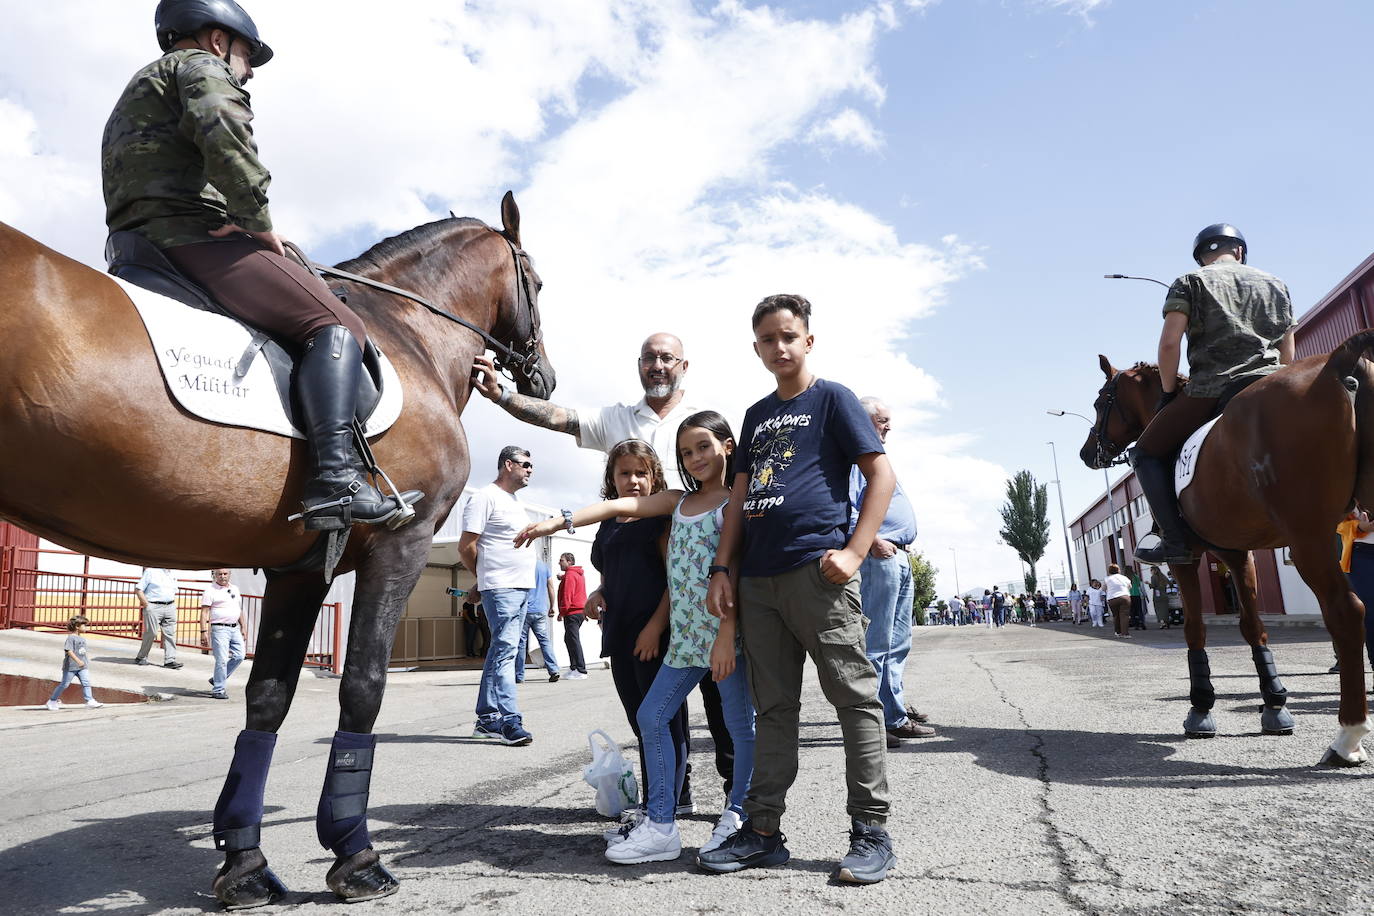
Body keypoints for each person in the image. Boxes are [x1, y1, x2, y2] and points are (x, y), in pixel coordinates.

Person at [102, 0, 416, 532]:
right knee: (336, 322)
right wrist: (260, 222)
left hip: (134, 242)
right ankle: (335, 480)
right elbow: (224, 131)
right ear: (220, 41)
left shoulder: (138, 87)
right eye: (247, 58)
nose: (246, 72)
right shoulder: (201, 67)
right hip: (193, 236)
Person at [473, 332, 736, 789]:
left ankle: (737, 803)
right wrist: (502, 396)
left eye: (667, 358)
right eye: (649, 358)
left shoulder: (701, 421)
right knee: (655, 707)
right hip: (652, 590)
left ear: (684, 365)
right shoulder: (618, 419)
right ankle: (672, 793)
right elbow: (560, 417)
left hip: (704, 584)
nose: (657, 365)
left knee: (722, 701)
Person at [702, 293, 897, 885]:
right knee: (774, 709)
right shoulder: (756, 415)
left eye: (789, 336)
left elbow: (881, 474)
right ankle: (763, 831)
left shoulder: (833, 398)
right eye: (767, 339)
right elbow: (739, 498)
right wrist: (722, 568)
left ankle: (871, 830)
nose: (779, 347)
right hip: (758, 582)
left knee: (855, 700)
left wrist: (855, 550)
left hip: (819, 573)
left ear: (808, 340)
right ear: (756, 348)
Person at [518, 411, 757, 865]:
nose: (695, 457)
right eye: (686, 451)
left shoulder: (736, 502)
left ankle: (738, 812)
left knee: (738, 725)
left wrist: (727, 634)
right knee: (651, 717)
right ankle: (662, 823)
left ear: (727, 446)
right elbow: (615, 508)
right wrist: (558, 522)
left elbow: (737, 571)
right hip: (685, 640)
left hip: (726, 637)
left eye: (704, 446)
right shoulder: (676, 501)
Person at [1132, 224, 1294, 564]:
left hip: (1213, 387)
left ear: (1202, 258)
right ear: (1239, 251)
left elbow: (1169, 344)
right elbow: (1287, 349)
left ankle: (1174, 542)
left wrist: (1166, 393)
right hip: (1272, 381)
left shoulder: (1190, 281)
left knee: (1146, 453)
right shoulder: (1275, 283)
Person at [850, 397, 934, 746]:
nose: (888, 426)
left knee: (898, 642)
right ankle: (873, 723)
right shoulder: (855, 458)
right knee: (877, 642)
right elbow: (844, 507)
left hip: (896, 554)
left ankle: (893, 714)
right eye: (883, 419)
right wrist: (872, 540)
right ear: (864, 420)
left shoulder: (873, 458)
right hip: (879, 554)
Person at [459, 447, 537, 746]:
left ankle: (487, 719)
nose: (530, 470)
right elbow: (467, 546)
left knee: (501, 652)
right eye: (526, 464)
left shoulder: (514, 501)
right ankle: (509, 721)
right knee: (505, 652)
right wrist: (483, 579)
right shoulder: (484, 497)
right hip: (501, 588)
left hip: (520, 587)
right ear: (508, 464)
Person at [200, 568, 245, 699]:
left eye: (225, 574)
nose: (222, 576)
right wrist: (203, 631)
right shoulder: (210, 590)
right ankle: (218, 689)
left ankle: (217, 678)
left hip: (234, 628)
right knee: (221, 660)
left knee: (240, 655)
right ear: (215, 575)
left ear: (229, 575)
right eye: (219, 574)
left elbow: (238, 609)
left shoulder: (235, 589)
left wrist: (243, 627)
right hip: (219, 628)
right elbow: (204, 612)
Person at [515, 557, 561, 684]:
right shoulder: (544, 567)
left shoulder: (523, 564)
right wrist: (552, 606)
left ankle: (519, 675)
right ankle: (553, 670)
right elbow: (550, 587)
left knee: (521, 643)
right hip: (540, 609)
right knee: (544, 641)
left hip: (525, 610)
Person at [45, 616, 104, 710]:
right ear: (77, 626)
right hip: (71, 667)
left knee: (86, 682)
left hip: (82, 667)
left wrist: (84, 662)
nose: (86, 628)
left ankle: (90, 700)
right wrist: (78, 661)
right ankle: (52, 701)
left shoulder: (82, 639)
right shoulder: (71, 638)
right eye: (84, 626)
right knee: (64, 684)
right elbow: (69, 650)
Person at [134, 566, 183, 669]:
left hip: (170, 605)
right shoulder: (151, 571)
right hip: (154, 605)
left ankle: (170, 660)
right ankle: (141, 657)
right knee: (151, 633)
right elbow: (139, 589)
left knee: (170, 634)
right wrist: (147, 605)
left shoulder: (172, 573)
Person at [557, 553, 589, 679]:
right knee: (569, 639)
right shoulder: (576, 574)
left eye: (561, 560)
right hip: (579, 612)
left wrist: (562, 612)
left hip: (572, 612)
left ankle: (581, 670)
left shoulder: (570, 575)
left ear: (569, 562)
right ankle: (574, 668)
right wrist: (563, 578)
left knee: (573, 640)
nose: (559, 563)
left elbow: (567, 595)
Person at [1104, 565, 1133, 638]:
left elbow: (1103, 588)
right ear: (1118, 570)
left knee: (1116, 615)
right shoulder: (1124, 577)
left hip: (1112, 598)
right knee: (1124, 615)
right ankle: (1125, 633)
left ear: (1109, 571)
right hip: (1124, 597)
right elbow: (1130, 586)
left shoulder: (1107, 579)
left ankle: (1118, 632)